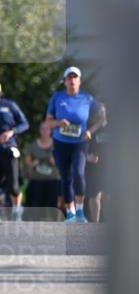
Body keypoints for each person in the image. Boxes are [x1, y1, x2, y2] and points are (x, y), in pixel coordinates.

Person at [46, 66, 104, 223]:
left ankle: (79, 211)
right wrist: (59, 123)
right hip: (61, 142)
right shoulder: (57, 97)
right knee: (66, 177)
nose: (72, 80)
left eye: (75, 77)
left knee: (78, 173)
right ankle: (70, 212)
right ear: (65, 81)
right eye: (69, 77)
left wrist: (90, 131)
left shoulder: (87, 98)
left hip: (80, 143)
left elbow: (101, 117)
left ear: (79, 81)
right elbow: (48, 122)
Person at [0, 78, 30, 221]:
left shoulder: (9, 105)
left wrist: (11, 132)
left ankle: (16, 212)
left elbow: (24, 124)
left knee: (14, 187)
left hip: (9, 149)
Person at [24, 119, 61, 213]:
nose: (44, 131)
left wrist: (55, 161)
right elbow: (27, 162)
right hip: (36, 180)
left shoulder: (57, 145)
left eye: (47, 129)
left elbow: (64, 162)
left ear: (51, 130)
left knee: (52, 204)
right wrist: (33, 163)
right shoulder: (33, 145)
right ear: (39, 130)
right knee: (35, 204)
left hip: (53, 180)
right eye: (42, 129)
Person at [85, 103, 108, 222]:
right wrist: (86, 156)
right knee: (94, 195)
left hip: (110, 167)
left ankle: (111, 224)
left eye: (102, 111)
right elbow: (79, 145)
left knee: (109, 195)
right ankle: (95, 224)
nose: (101, 113)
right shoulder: (90, 128)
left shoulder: (114, 127)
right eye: (98, 111)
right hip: (93, 167)